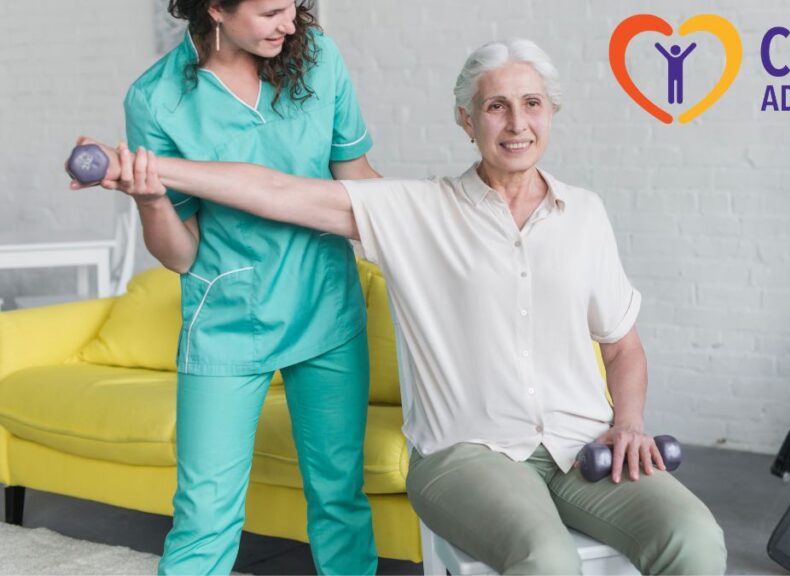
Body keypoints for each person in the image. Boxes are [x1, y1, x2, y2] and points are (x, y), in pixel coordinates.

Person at [74, 38, 727, 575]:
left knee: (695, 537)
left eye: (532, 104)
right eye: (496, 106)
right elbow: (275, 190)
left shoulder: (585, 214)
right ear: (466, 120)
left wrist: (630, 422)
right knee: (546, 560)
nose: (517, 123)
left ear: (551, 114)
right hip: (470, 453)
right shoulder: (418, 212)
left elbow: (623, 345)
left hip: (582, 444)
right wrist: (145, 170)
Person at [118, 0, 379, 573]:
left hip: (325, 303)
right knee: (204, 515)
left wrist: (440, 222)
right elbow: (179, 253)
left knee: (339, 498)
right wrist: (151, 199)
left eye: (293, 6)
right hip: (228, 318)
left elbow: (358, 183)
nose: (289, 24)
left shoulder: (316, 57)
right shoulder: (157, 100)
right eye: (270, 12)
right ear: (216, 7)